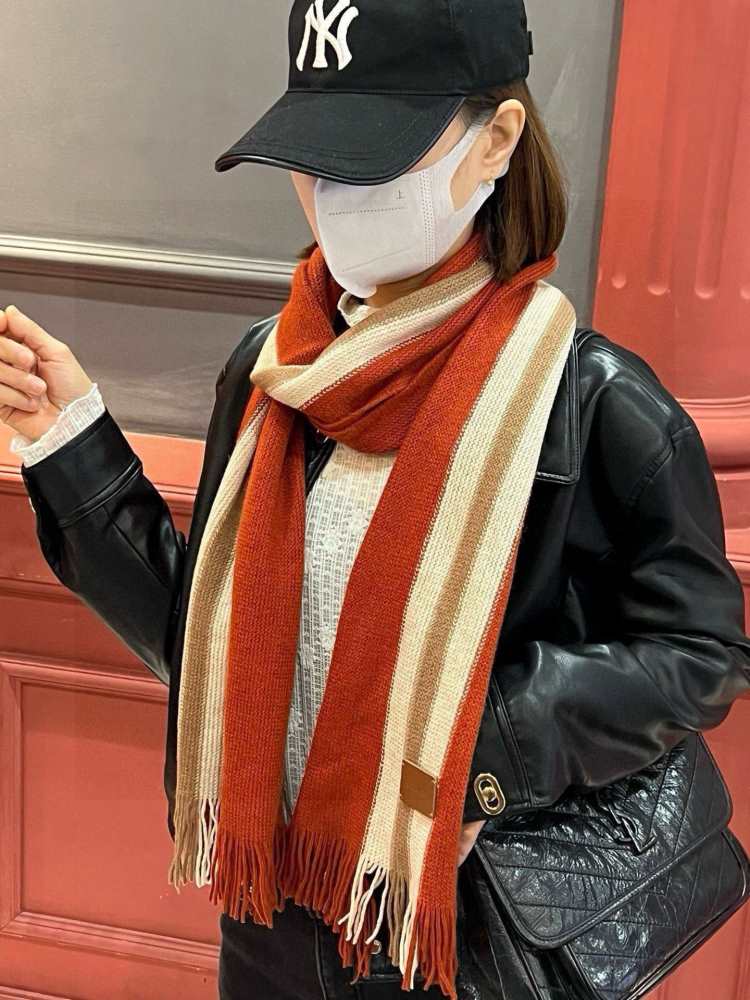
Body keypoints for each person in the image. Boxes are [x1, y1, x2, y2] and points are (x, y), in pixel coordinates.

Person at [1, 2, 749, 999]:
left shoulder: (593, 403)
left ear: (497, 141)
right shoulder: (275, 376)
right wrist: (69, 441)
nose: (334, 195)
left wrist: (484, 746)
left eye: (375, 159)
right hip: (271, 906)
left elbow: (699, 654)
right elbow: (205, 644)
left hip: (459, 929)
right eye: (315, 158)